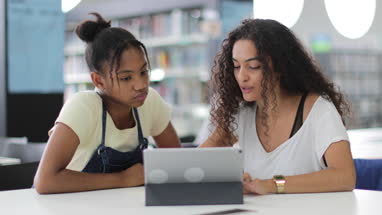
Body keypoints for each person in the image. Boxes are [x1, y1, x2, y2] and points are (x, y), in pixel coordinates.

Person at [201, 19, 356, 194]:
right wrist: (233, 178)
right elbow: (196, 163)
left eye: (253, 66)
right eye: (236, 66)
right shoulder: (241, 115)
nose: (242, 76)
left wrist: (272, 185)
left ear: (280, 67)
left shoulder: (319, 110)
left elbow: (345, 177)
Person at [34, 13, 181, 194]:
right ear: (99, 81)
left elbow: (176, 160)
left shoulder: (149, 101)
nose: (141, 85)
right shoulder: (83, 107)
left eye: (143, 72)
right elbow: (45, 181)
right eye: (126, 78)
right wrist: (123, 179)